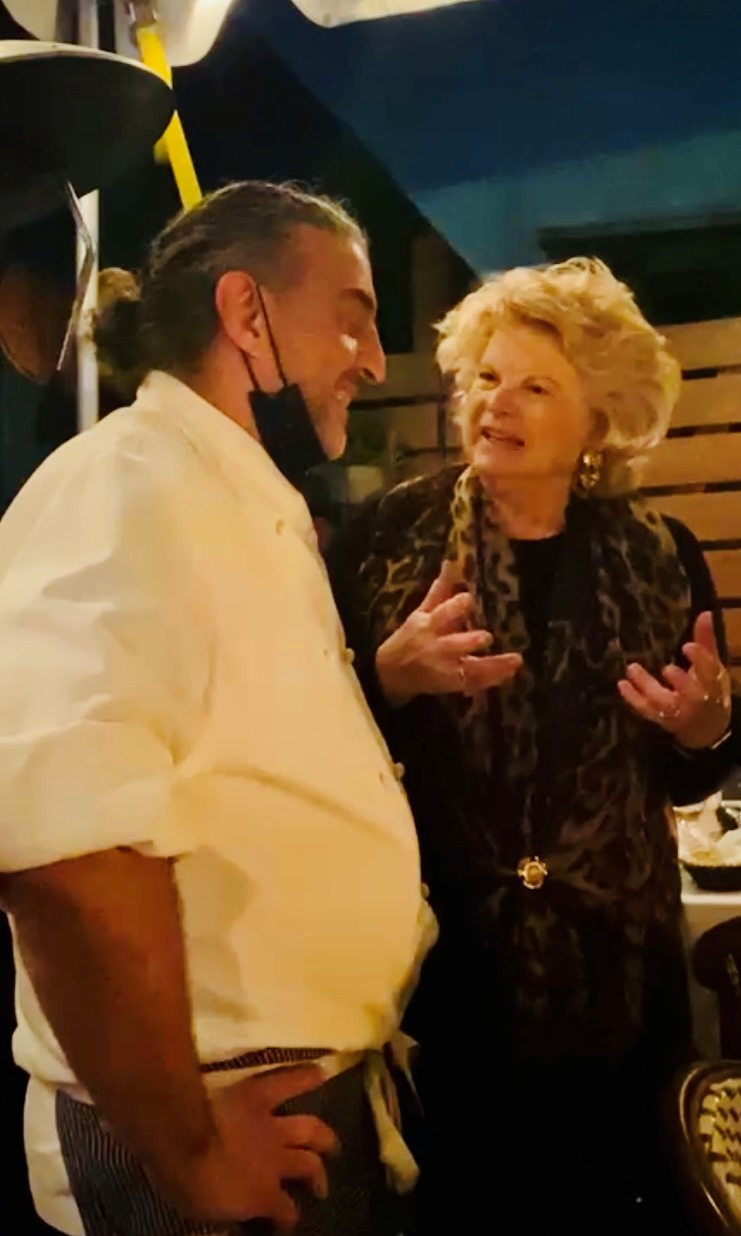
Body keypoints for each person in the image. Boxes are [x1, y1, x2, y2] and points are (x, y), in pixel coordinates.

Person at [0, 181, 434, 1236]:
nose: (375, 361)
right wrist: (187, 1150)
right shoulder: (129, 485)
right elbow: (62, 848)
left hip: (286, 1108)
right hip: (202, 1128)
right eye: (353, 316)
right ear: (245, 313)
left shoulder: (236, 501)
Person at [326, 257, 741, 1233]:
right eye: (486, 376)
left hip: (618, 976)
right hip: (440, 976)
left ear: (597, 419)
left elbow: (695, 764)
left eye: (535, 386)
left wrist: (704, 727)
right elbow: (312, 737)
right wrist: (388, 676)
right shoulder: (384, 539)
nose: (498, 402)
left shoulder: (661, 551)